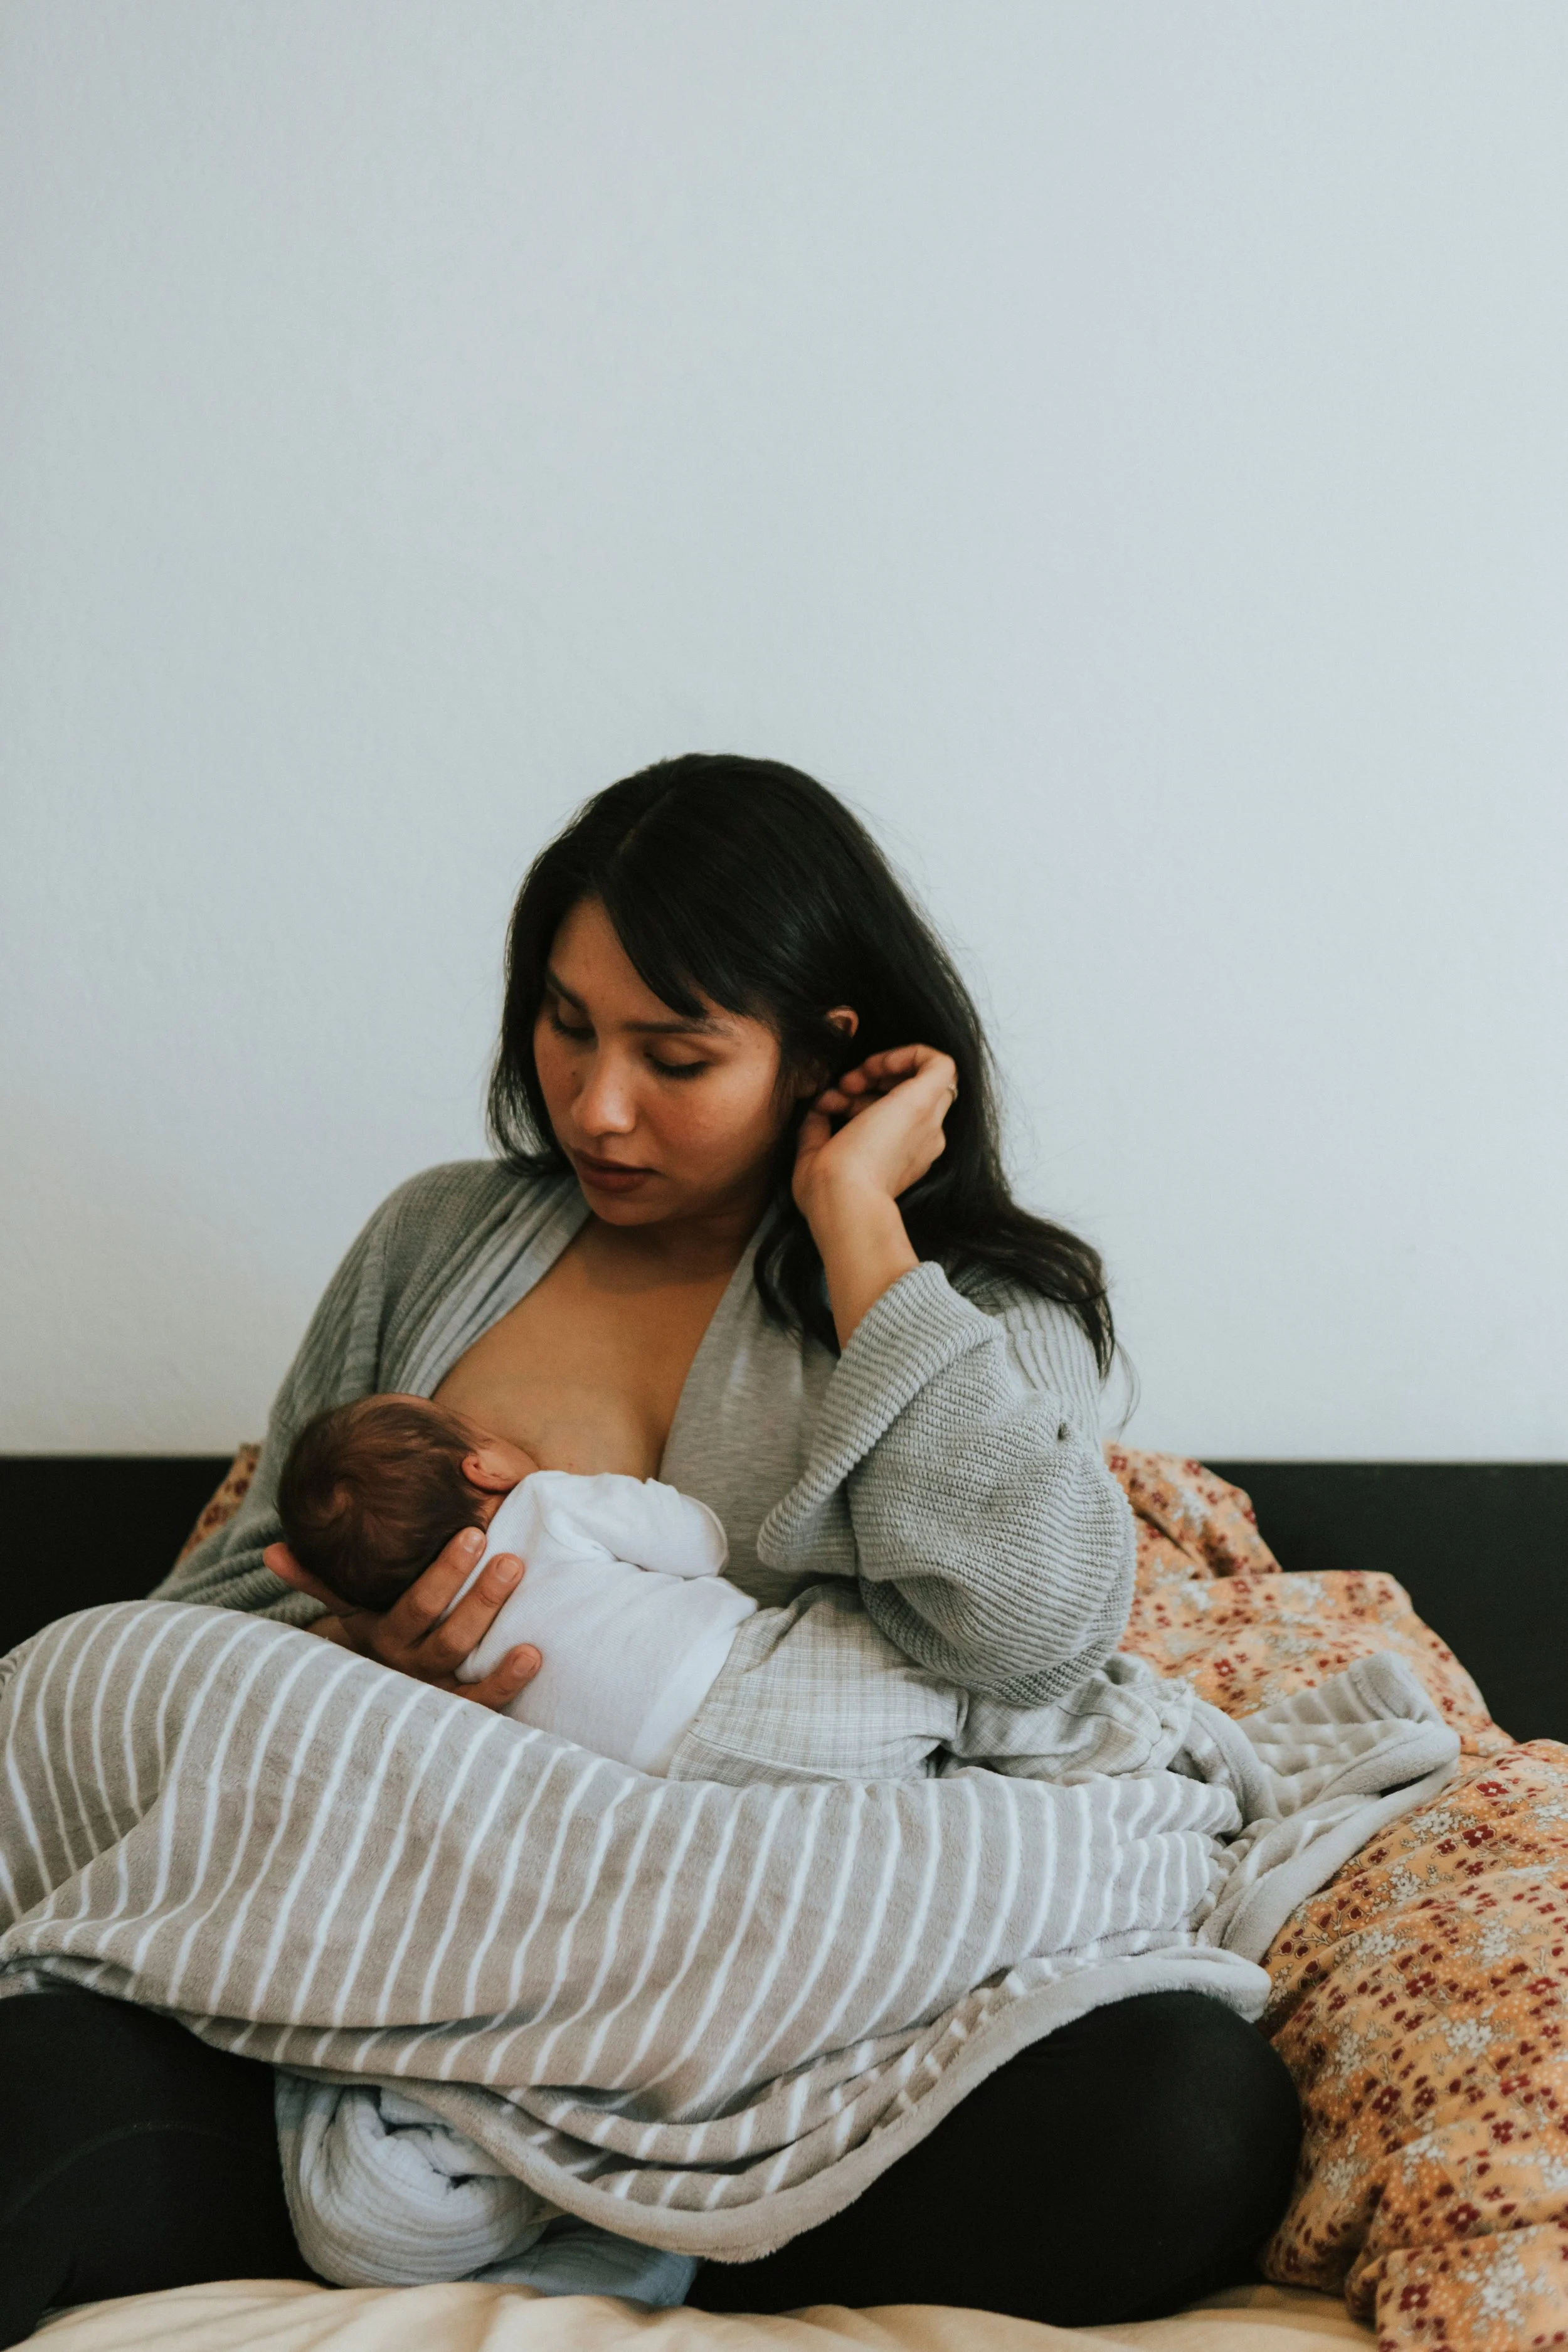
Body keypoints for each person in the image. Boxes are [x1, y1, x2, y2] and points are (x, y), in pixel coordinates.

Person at [0, 756, 1300, 2343]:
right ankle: (483, 2198)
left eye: (673, 1054)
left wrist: (857, 1229)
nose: (595, 1104)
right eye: (563, 1026)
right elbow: (219, 1621)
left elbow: (1033, 1636)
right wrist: (368, 1661)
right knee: (38, 2064)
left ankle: (705, 2218)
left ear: (831, 1052)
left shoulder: (956, 1307)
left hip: (795, 2014)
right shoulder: (438, 1241)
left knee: (1184, 2109)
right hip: (394, 1980)